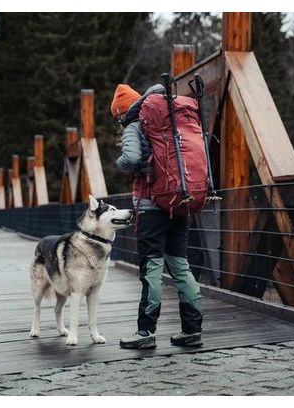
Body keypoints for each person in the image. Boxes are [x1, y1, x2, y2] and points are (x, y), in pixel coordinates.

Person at [111, 83, 203, 349]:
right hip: (179, 200)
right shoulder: (169, 121)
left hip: (152, 207)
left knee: (151, 267)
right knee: (180, 265)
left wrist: (119, 164)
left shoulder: (135, 124)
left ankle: (146, 332)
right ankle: (192, 330)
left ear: (120, 113)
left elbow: (129, 159)